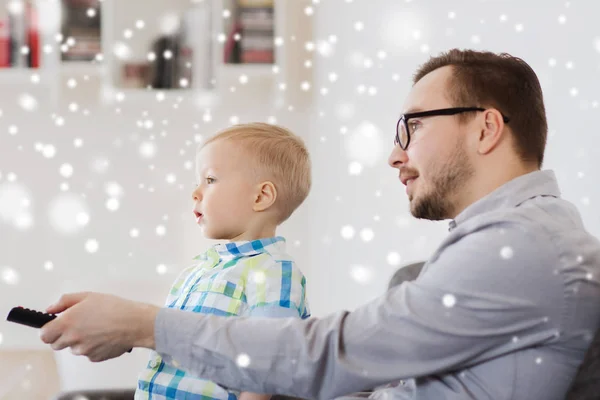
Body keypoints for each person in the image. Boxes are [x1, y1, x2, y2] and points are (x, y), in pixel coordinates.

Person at [40, 49, 600, 400]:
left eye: (411, 128)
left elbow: (329, 354)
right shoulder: (508, 240)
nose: (394, 155)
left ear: (486, 128)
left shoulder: (525, 246)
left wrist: (144, 325)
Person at [135, 123, 312, 399]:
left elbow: (267, 364)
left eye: (210, 180)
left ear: (260, 196)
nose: (195, 192)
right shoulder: (199, 269)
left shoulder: (275, 271)